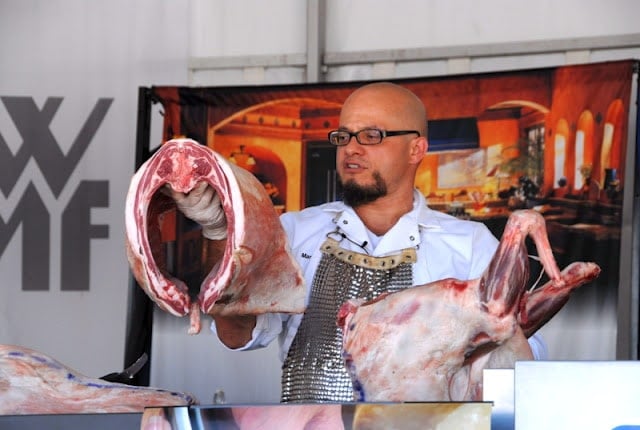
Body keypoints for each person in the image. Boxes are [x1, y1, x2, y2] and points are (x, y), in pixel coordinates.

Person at [167, 82, 545, 403]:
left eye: (372, 136)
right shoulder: (294, 232)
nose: (352, 148)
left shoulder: (470, 246)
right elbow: (237, 336)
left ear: (416, 149)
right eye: (344, 136)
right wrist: (221, 233)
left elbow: (522, 361)